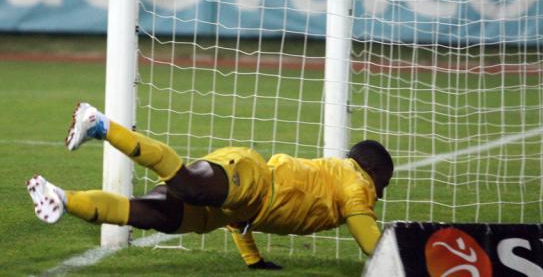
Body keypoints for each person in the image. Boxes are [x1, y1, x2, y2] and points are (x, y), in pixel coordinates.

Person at [27, 103, 394, 269]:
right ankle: (101, 125)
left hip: (237, 208)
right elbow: (369, 241)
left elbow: (243, 220)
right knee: (187, 186)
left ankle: (62, 198)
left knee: (152, 215)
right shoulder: (355, 180)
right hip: (251, 177)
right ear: (373, 170)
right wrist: (402, 256)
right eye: (384, 184)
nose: (382, 193)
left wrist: (254, 260)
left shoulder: (343, 180)